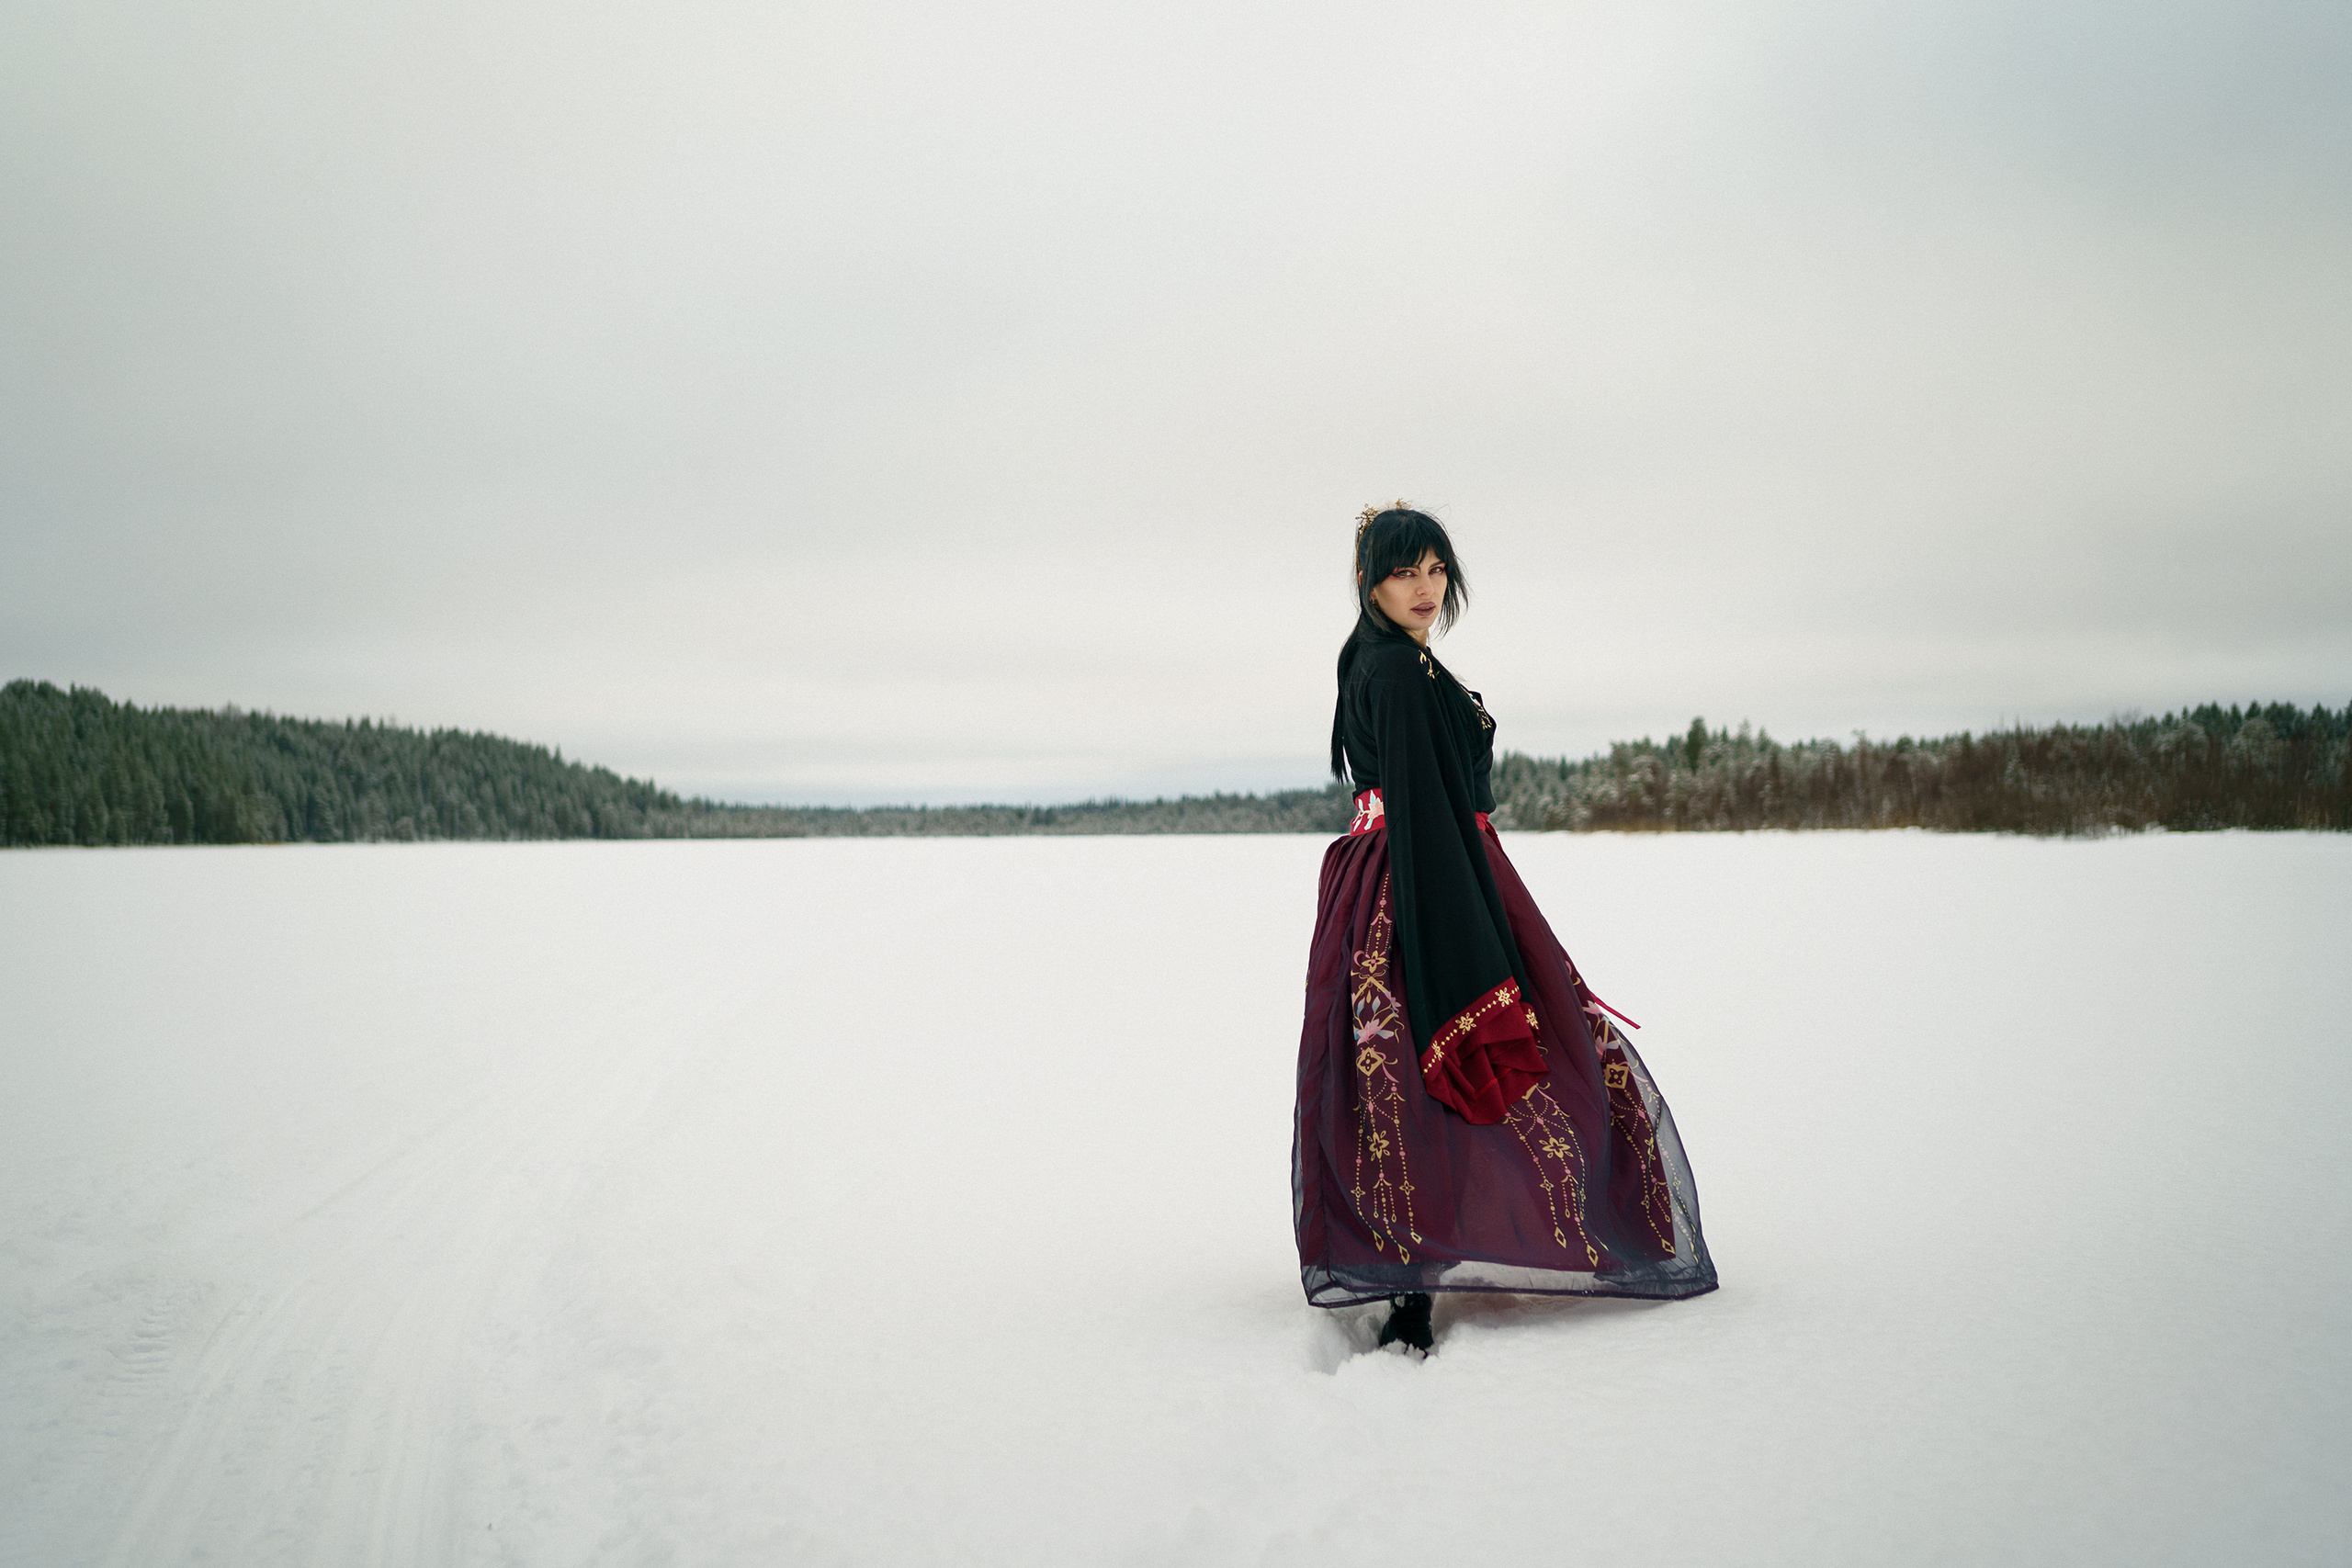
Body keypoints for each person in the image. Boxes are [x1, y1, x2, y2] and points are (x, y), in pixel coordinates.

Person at [1294, 503, 1718, 1352]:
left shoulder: (1383, 656)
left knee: (1403, 1074)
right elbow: (1421, 803)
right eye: (1404, 571)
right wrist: (1463, 945)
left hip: (1403, 868)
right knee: (1450, 1052)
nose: (1425, 587)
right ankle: (1422, 1277)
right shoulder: (1398, 669)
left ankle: (1414, 1262)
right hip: (1425, 875)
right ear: (1370, 582)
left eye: (1436, 569)